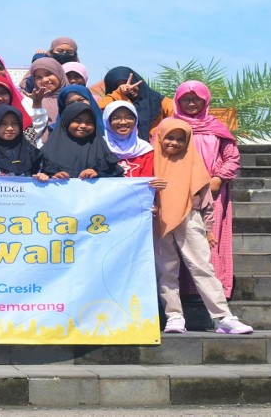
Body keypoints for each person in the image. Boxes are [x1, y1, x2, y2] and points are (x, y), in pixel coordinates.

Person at [152, 119, 252, 334]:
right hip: (159, 220)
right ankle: (174, 316)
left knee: (202, 267)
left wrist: (207, 228)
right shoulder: (151, 160)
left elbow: (206, 199)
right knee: (166, 270)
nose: (174, 143)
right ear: (160, 137)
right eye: (170, 137)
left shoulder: (193, 163)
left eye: (181, 139)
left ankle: (224, 317)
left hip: (190, 218)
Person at [170, 80, 240, 298]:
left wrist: (219, 178)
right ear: (177, 101)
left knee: (210, 237)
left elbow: (232, 157)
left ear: (205, 101)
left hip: (212, 191)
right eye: (185, 99)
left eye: (196, 99)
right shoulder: (169, 126)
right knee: (181, 238)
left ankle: (214, 291)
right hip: (178, 192)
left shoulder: (217, 128)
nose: (191, 103)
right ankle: (184, 289)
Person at [40, 102, 123, 179]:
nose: (83, 125)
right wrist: (52, 178)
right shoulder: (46, 153)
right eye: (77, 121)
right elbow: (39, 178)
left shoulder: (102, 152)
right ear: (66, 121)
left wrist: (98, 175)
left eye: (89, 122)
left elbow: (118, 181)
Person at [0, 105, 46, 180]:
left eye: (15, 123)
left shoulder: (32, 152)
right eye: (3, 123)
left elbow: (44, 173)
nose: (10, 128)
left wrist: (44, 176)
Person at [99, 66, 174, 140]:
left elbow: (177, 118)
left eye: (131, 83)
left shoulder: (160, 101)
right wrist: (119, 93)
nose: (128, 88)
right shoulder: (114, 101)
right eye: (120, 86)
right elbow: (98, 111)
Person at [102, 101, 154, 177]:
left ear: (135, 121)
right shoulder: (99, 146)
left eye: (129, 117)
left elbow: (146, 179)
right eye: (116, 118)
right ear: (107, 121)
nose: (123, 122)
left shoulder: (144, 149)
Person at [23, 57, 68, 144]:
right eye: (38, 77)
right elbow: (29, 135)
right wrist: (37, 104)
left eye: (49, 74)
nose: (45, 80)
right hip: (41, 150)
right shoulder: (29, 101)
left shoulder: (71, 98)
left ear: (59, 73)